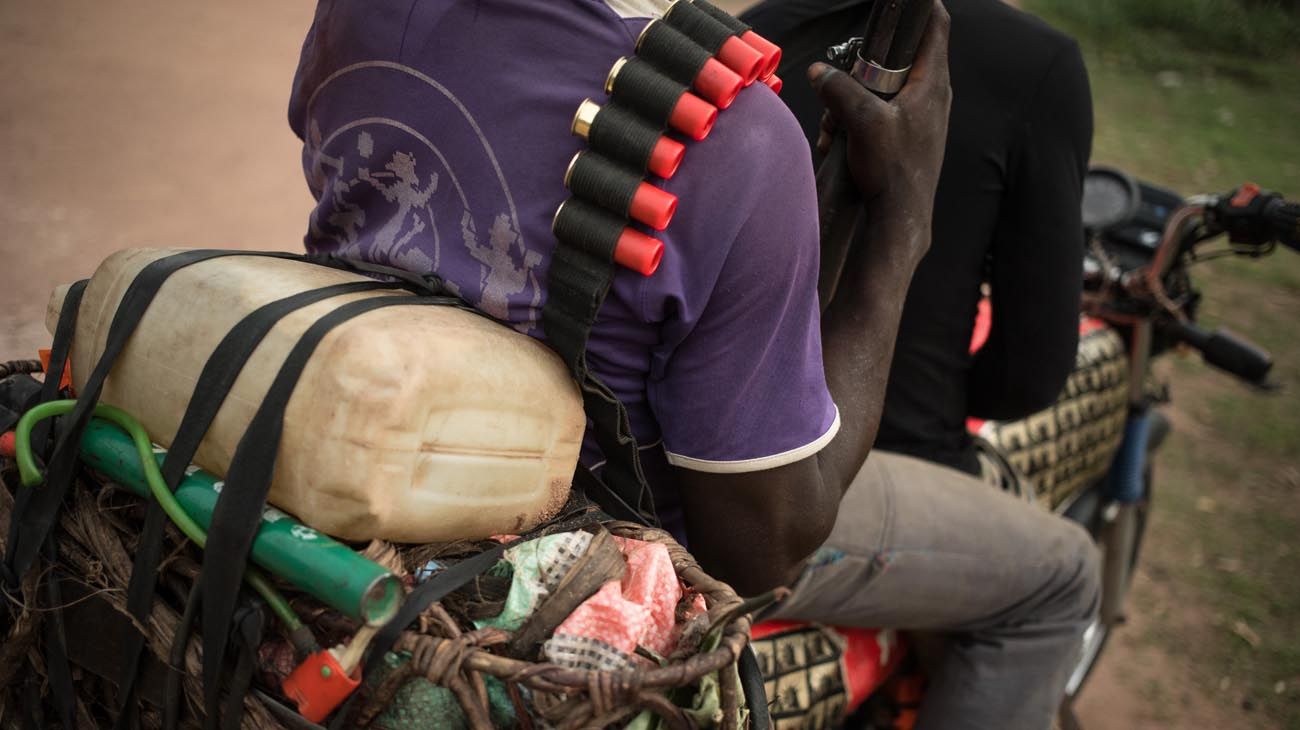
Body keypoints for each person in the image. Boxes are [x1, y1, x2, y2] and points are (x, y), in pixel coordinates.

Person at [287, 1, 1096, 727]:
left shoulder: (358, 13)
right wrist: (904, 224)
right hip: (613, 527)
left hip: (383, 443)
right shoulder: (736, 134)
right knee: (1060, 576)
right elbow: (765, 549)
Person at [742, 0, 1094, 475]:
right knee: (1067, 553)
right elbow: (1029, 377)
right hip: (879, 462)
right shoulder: (1035, 63)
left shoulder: (757, 31)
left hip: (726, 442)